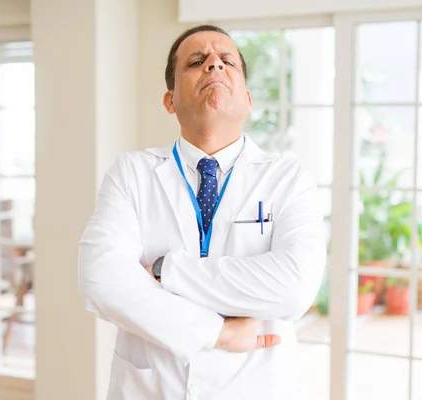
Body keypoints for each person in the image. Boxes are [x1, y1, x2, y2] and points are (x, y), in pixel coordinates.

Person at [78, 24, 326, 400]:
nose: (214, 64)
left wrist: (165, 271)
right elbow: (101, 279)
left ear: (247, 98)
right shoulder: (132, 173)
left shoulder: (288, 179)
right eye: (197, 61)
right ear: (170, 100)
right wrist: (219, 333)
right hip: (151, 388)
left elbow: (294, 288)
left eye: (227, 60)